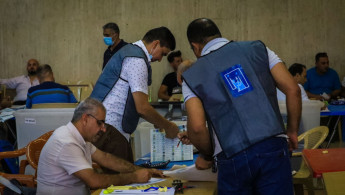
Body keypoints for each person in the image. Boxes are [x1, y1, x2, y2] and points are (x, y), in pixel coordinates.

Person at [178, 18, 301, 194]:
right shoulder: (259, 49)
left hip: (232, 154)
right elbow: (293, 90)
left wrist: (207, 155)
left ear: (195, 46)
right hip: (272, 145)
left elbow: (197, 128)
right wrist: (292, 131)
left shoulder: (191, 76)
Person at [91, 27, 180, 171]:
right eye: (163, 53)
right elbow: (142, 108)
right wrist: (168, 126)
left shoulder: (128, 53)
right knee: (122, 182)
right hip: (110, 132)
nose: (159, 59)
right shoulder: (137, 59)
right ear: (156, 44)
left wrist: (157, 121)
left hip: (104, 127)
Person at [37, 98, 162, 195]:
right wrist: (134, 177)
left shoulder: (80, 138)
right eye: (100, 122)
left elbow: (106, 158)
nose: (103, 128)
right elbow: (94, 181)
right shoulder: (67, 142)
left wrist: (138, 170)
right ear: (85, 118)